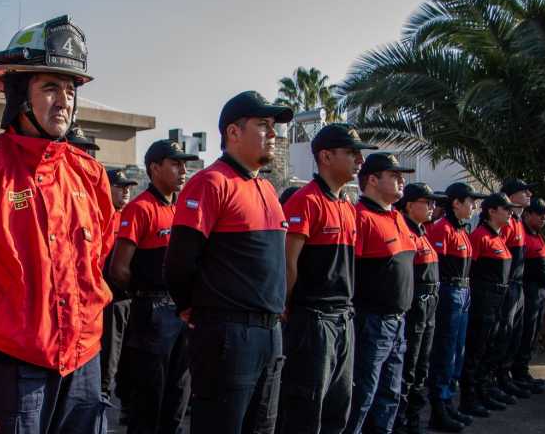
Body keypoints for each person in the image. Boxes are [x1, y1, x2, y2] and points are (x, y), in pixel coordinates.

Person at [0, 15, 113, 433]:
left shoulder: (89, 174)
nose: (64, 100)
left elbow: (99, 253)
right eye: (50, 87)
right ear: (19, 94)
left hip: (84, 363)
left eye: (69, 89)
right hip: (15, 369)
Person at [166, 91, 292, 433]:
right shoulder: (210, 183)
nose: (273, 134)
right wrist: (196, 310)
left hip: (269, 334)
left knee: (262, 426)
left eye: (273, 127)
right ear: (233, 133)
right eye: (263, 125)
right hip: (228, 335)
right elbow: (179, 263)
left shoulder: (266, 189)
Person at [279, 123, 376, 434]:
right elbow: (288, 264)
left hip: (343, 319)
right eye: (351, 153)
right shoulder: (305, 202)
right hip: (314, 321)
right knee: (306, 408)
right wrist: (285, 309)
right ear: (325, 156)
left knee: (339, 406)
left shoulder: (347, 206)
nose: (359, 162)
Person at [110, 140, 197, 433]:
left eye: (184, 164)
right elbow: (119, 268)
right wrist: (145, 297)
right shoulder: (140, 209)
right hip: (153, 313)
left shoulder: (183, 209)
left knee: (178, 394)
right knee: (149, 399)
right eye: (175, 163)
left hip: (180, 311)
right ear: (155, 168)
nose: (183, 170)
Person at [346, 153, 417, 434]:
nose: (402, 181)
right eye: (394, 175)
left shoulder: (397, 216)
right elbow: (349, 272)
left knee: (390, 394)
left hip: (398, 322)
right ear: (372, 179)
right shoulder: (360, 217)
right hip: (372, 322)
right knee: (364, 393)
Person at [426, 183, 486, 429]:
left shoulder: (461, 230)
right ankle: (439, 406)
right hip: (450, 290)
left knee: (457, 350)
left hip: (464, 290)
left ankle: (449, 400)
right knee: (446, 350)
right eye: (470, 201)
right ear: (456, 203)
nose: (474, 206)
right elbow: (436, 266)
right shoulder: (442, 229)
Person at [459, 193, 521, 418]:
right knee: (476, 349)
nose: (510, 213)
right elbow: (471, 270)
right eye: (505, 209)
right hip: (484, 299)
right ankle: (469, 397)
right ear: (492, 211)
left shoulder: (499, 237)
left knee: (492, 347)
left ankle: (484, 390)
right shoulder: (480, 236)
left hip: (499, 299)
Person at [392, 183, 448, 434]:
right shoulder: (405, 231)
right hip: (415, 304)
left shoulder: (423, 231)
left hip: (430, 303)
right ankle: (402, 420)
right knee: (410, 365)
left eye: (433, 203)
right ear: (409, 205)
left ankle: (414, 416)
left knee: (422, 363)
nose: (432, 207)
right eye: (427, 202)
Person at [486, 178, 536, 401]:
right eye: (523, 191)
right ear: (510, 195)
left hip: (518, 284)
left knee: (514, 334)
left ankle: (506, 376)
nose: (529, 194)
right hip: (506, 286)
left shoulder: (518, 221)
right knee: (501, 334)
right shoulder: (505, 223)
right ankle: (492, 379)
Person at [101, 168, 138, 405]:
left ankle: (126, 400)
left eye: (128, 187)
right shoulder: (99, 215)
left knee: (130, 353)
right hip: (108, 298)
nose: (126, 191)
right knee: (109, 353)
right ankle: (102, 394)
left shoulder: (129, 216)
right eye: (120, 186)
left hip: (129, 296)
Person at [512, 198, 545, 393]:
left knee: (534, 332)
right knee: (526, 331)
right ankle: (518, 372)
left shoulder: (538, 235)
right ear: (527, 214)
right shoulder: (522, 234)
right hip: (529, 290)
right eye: (539, 213)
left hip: (541, 291)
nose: (544, 217)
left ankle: (524, 370)